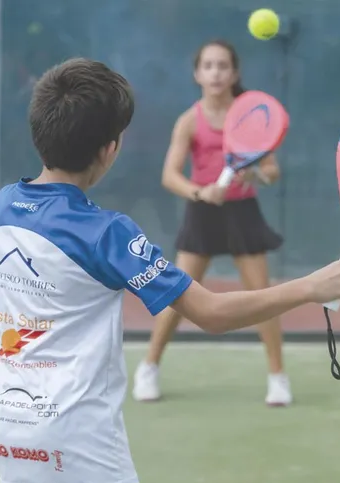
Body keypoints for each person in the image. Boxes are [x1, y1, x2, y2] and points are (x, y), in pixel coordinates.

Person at [0, 57, 340, 483]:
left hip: (11, 434)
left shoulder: (6, 204)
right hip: (82, 450)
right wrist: (309, 287)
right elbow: (211, 313)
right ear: (110, 149)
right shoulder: (108, 232)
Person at [133, 40, 290, 406]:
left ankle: (278, 377)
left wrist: (255, 174)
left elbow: (272, 172)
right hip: (202, 212)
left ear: (234, 74)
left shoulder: (251, 117)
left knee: (262, 298)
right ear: (197, 74)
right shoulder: (189, 121)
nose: (216, 73)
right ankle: (149, 367)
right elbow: (170, 176)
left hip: (243, 212)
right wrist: (200, 192)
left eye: (223, 66)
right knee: (177, 297)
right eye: (208, 66)